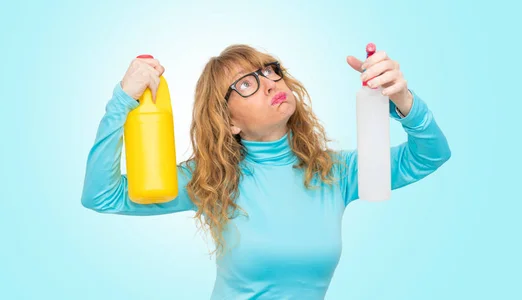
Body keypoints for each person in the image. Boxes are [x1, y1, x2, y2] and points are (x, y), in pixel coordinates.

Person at [81, 44, 451, 299]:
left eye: (270, 71)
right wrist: (123, 100)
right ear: (228, 122)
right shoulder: (211, 182)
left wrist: (402, 99)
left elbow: (430, 155)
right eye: (246, 83)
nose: (271, 82)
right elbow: (102, 195)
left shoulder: (336, 173)